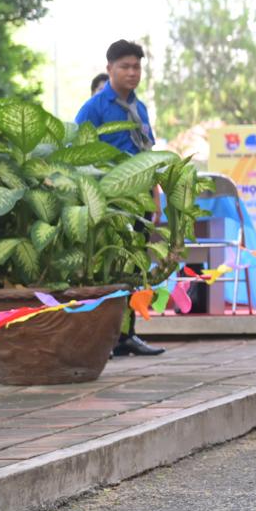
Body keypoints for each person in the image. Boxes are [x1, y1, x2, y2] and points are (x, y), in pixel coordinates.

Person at [76, 39, 163, 357]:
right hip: (110, 197)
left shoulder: (139, 108)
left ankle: (127, 334)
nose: (132, 72)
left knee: (135, 264)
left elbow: (147, 154)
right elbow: (78, 155)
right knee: (108, 264)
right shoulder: (95, 108)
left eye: (137, 67)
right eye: (125, 66)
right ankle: (103, 337)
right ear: (109, 68)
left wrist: (155, 198)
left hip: (139, 198)